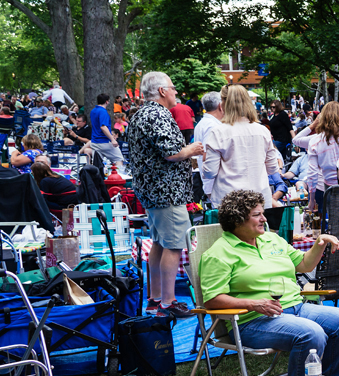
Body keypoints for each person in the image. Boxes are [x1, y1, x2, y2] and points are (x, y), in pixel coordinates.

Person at [200, 190, 339, 376]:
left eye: (263, 213)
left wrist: (320, 243)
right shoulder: (218, 253)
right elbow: (212, 299)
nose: (264, 219)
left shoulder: (271, 239)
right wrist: (253, 303)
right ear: (237, 220)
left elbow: (303, 265)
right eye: (257, 215)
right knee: (310, 333)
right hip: (251, 321)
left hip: (295, 307)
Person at [126, 71, 204, 318]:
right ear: (161, 91)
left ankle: (155, 299)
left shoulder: (141, 114)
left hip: (154, 191)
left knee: (159, 243)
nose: (175, 92)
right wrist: (191, 149)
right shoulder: (158, 114)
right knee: (174, 245)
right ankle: (167, 303)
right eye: (172, 87)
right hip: (166, 191)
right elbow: (171, 152)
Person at [202, 85, 281, 209]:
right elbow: (272, 168)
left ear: (224, 103)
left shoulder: (218, 132)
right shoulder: (262, 131)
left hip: (229, 199)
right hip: (258, 197)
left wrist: (204, 161)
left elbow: (210, 172)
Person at [303, 101, 339, 212]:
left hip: (329, 189)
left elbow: (312, 173)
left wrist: (312, 199)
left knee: (333, 223)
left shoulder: (315, 141)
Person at [89, 93, 125, 171]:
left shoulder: (93, 111)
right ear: (107, 101)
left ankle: (97, 180)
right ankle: (119, 178)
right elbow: (103, 127)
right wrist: (112, 139)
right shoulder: (103, 112)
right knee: (118, 158)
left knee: (97, 163)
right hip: (104, 141)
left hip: (95, 141)